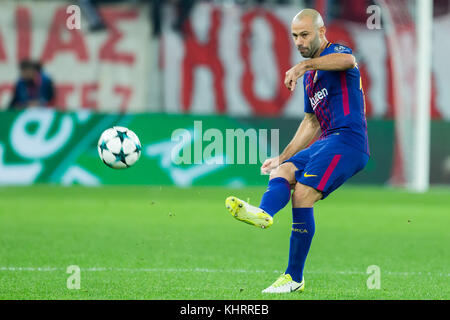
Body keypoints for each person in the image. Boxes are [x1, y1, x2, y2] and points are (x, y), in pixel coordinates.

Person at [225, 8, 370, 293]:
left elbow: (349, 60)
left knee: (303, 192)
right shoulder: (313, 76)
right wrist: (283, 155)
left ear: (321, 32)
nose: (299, 41)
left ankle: (294, 277)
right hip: (327, 140)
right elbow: (311, 122)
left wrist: (303, 66)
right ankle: (263, 213)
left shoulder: (335, 53)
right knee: (284, 170)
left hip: (349, 141)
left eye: (305, 34)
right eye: (295, 36)